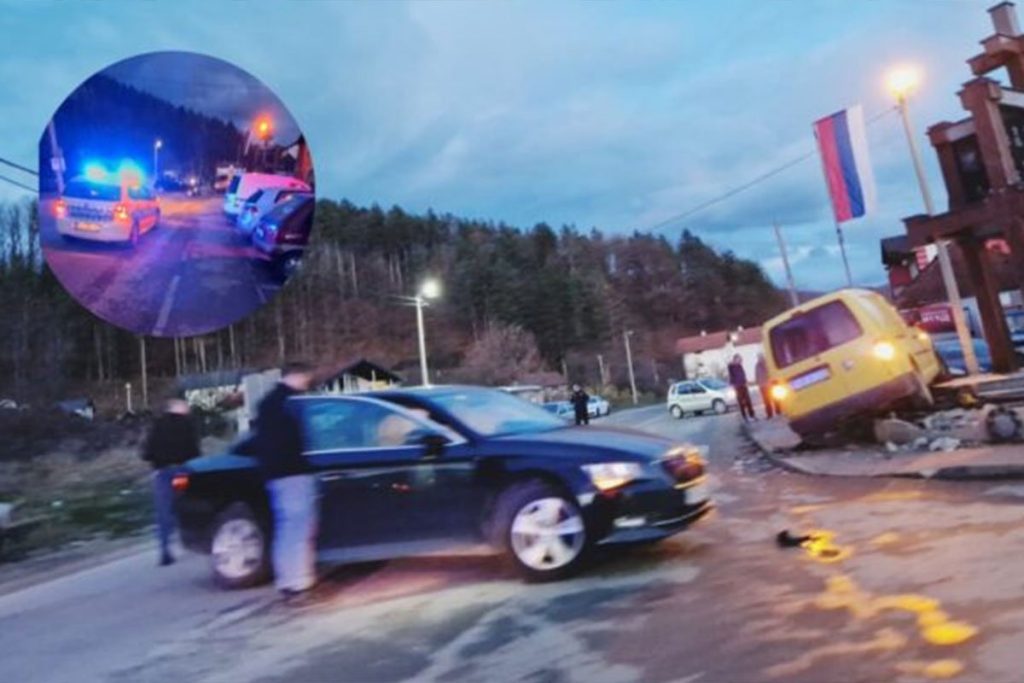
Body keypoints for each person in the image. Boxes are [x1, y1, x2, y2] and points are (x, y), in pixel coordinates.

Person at [251, 361, 317, 602]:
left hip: (276, 474)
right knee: (297, 529)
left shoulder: (267, 403)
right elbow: (297, 439)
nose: (307, 384)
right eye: (306, 379)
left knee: (286, 528)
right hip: (293, 473)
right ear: (297, 376)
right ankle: (297, 584)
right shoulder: (291, 402)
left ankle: (288, 581)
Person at [142, 396, 200, 566]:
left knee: (164, 511)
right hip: (181, 472)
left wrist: (156, 464)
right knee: (182, 504)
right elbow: (194, 450)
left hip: (162, 473)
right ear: (178, 407)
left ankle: (165, 549)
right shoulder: (187, 424)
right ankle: (189, 540)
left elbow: (147, 451)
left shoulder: (157, 425)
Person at [727, 354, 756, 422]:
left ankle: (752, 415)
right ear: (735, 359)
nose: (740, 361)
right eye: (739, 359)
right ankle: (745, 417)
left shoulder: (740, 366)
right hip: (738, 386)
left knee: (748, 401)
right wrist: (734, 384)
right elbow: (731, 376)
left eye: (741, 359)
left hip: (743, 385)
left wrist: (745, 381)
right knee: (741, 402)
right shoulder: (731, 367)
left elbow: (743, 374)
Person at [755, 352, 777, 419]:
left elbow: (769, 372)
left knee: (773, 398)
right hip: (762, 385)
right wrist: (758, 383)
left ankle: (778, 410)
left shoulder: (766, 363)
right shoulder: (757, 365)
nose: (759, 358)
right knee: (766, 400)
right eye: (758, 357)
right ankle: (769, 414)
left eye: (760, 357)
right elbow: (757, 375)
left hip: (768, 384)